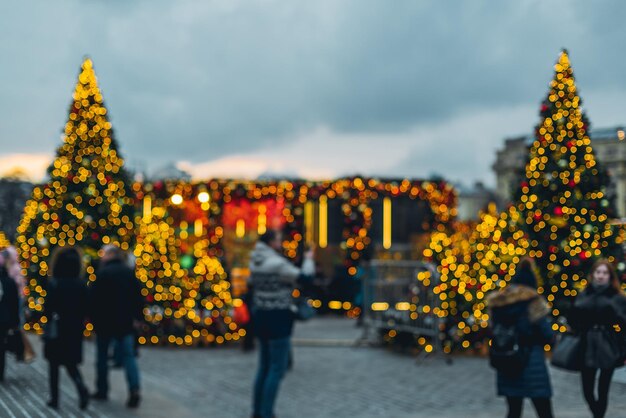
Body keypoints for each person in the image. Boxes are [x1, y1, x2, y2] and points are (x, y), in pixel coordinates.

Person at [249, 230, 315, 418]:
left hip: (261, 315)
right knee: (277, 368)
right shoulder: (276, 263)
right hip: (278, 317)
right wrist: (309, 259)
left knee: (263, 366)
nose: (280, 243)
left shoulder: (255, 261)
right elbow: (305, 277)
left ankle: (257, 410)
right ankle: (267, 412)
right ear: (271, 242)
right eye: (278, 240)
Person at [487, 258, 555, 418]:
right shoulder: (534, 302)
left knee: (513, 411)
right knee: (544, 410)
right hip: (531, 361)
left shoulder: (498, 303)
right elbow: (547, 334)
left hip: (507, 360)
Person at [568, 259, 626, 418]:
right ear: (593, 274)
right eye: (598, 272)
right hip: (586, 343)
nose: (601, 276)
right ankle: (597, 413)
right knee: (587, 389)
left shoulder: (617, 298)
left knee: (603, 387)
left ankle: (598, 415)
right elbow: (573, 317)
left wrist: (621, 346)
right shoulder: (584, 294)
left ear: (610, 276)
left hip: (607, 343)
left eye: (604, 273)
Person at [90, 245, 143, 408]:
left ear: (110, 255)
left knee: (102, 358)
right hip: (125, 322)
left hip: (104, 323)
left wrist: (93, 319)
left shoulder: (102, 274)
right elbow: (138, 298)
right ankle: (134, 389)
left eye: (104, 254)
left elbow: (93, 299)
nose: (102, 257)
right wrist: (138, 318)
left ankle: (102, 389)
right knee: (129, 357)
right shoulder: (129, 273)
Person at [44, 246, 89, 410]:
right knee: (71, 365)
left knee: (54, 366)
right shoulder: (81, 284)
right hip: (74, 329)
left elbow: (48, 308)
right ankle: (81, 389)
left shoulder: (55, 283)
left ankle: (54, 398)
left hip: (57, 329)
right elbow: (87, 307)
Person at [3, 246, 35, 362]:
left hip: (16, 299)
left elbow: (17, 285)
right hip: (15, 298)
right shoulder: (14, 267)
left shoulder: (14, 268)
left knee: (18, 324)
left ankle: (24, 350)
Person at [0, 250, 20, 383]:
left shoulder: (9, 282)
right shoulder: (10, 282)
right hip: (4, 320)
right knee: (1, 347)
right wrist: (15, 322)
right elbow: (14, 304)